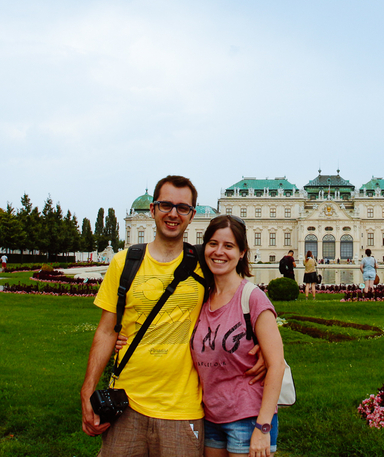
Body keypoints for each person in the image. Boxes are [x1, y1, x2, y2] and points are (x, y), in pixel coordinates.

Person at [80, 175, 265, 457]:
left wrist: (266, 348)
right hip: (126, 402)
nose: (173, 214)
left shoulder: (204, 262)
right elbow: (106, 331)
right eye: (166, 205)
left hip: (182, 409)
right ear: (153, 209)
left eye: (182, 208)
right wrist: (87, 389)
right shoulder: (124, 262)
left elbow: (244, 298)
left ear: (192, 216)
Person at [191, 215, 285, 457]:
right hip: (211, 416)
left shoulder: (252, 298)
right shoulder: (202, 298)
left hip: (249, 417)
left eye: (229, 246)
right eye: (213, 244)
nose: (219, 252)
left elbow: (276, 365)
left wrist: (263, 427)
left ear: (242, 252)